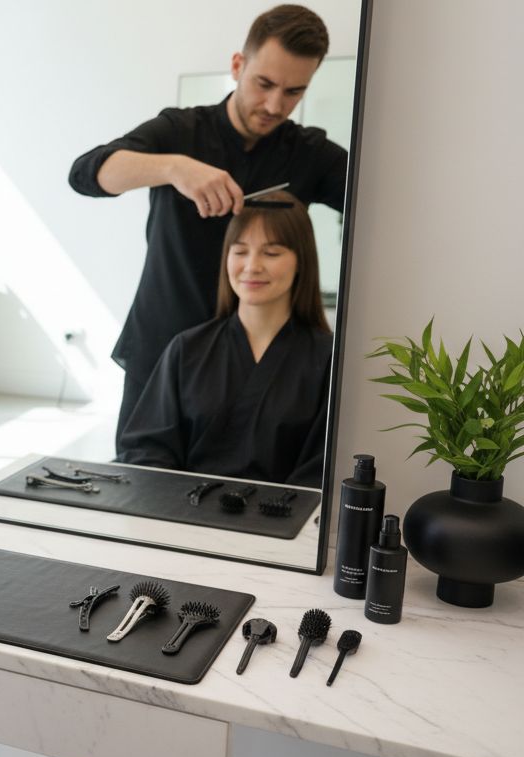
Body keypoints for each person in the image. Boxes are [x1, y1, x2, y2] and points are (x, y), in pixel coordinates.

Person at [67, 4, 346, 443]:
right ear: (238, 65)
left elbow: (383, 205)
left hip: (257, 368)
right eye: (264, 84)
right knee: (143, 492)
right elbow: (86, 174)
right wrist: (173, 169)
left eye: (294, 91)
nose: (276, 105)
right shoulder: (180, 132)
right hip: (161, 353)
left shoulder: (309, 153)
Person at [116, 192, 332, 487]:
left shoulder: (327, 358)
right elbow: (147, 449)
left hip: (282, 524)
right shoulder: (187, 348)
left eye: (271, 253)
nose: (252, 266)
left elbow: (322, 468)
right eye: (240, 251)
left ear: (301, 261)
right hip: (185, 515)